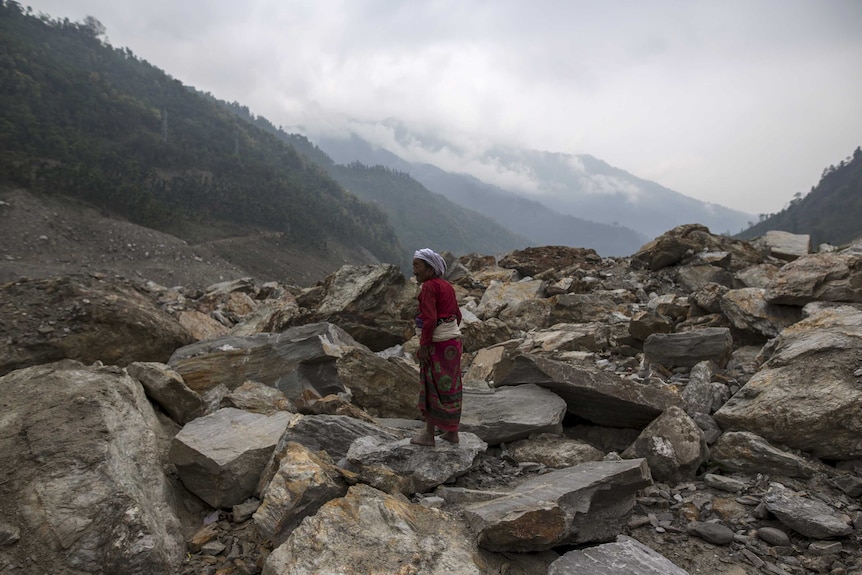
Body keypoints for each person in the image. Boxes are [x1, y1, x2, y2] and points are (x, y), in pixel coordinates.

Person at [409, 248, 463, 446]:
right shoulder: (447, 286)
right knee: (450, 386)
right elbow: (457, 314)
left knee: (432, 386)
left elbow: (430, 319)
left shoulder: (429, 287)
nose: (414, 271)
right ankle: (452, 433)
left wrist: (424, 346)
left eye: (417, 266)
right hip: (453, 343)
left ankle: (429, 435)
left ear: (430, 270)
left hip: (437, 345)